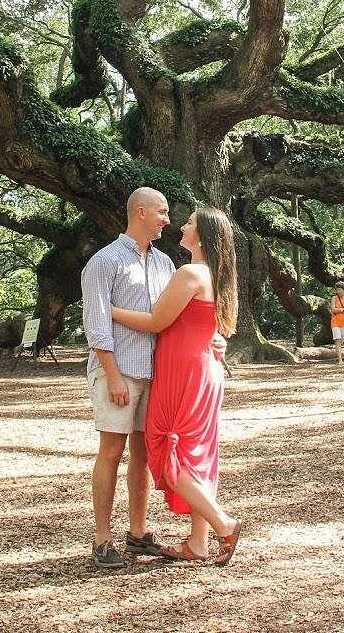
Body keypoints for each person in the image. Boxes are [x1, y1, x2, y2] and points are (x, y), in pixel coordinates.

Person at [111, 207, 243, 566]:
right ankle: (197, 543)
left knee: (164, 450)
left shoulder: (190, 273)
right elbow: (216, 329)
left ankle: (222, 523)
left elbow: (156, 321)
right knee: (196, 457)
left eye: (189, 223)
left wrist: (108, 310)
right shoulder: (219, 276)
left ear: (200, 236)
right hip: (205, 370)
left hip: (183, 373)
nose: (181, 226)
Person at [81, 187, 176, 569]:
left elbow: (171, 319)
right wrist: (113, 375)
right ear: (140, 212)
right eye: (162, 212)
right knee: (111, 451)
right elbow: (97, 323)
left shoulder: (165, 264)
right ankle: (102, 538)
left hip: (154, 373)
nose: (167, 220)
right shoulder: (104, 262)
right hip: (117, 372)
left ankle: (138, 533)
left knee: (143, 455)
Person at [329, 281, 344, 365]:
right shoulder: (334, 298)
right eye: (337, 290)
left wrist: (338, 309)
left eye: (340, 290)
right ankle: (340, 360)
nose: (338, 291)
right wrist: (343, 309)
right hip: (335, 322)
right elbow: (333, 310)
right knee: (337, 340)